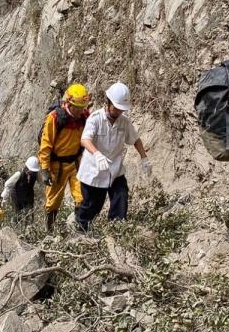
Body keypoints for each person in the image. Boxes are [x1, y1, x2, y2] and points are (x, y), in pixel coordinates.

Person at [75, 82, 151, 231]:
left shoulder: (124, 122)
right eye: (116, 108)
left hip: (115, 170)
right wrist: (97, 154)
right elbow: (85, 139)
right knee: (92, 205)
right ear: (108, 102)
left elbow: (135, 139)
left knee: (121, 195)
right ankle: (80, 230)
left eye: (121, 109)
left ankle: (116, 229)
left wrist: (144, 158)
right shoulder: (95, 119)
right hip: (94, 171)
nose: (119, 112)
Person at [39, 84, 91, 231]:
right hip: (57, 166)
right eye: (76, 107)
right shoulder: (55, 118)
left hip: (75, 164)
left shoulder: (84, 116)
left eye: (82, 107)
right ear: (68, 103)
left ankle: (80, 231)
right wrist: (44, 169)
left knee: (81, 197)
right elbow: (46, 145)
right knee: (53, 202)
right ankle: (49, 231)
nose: (80, 110)